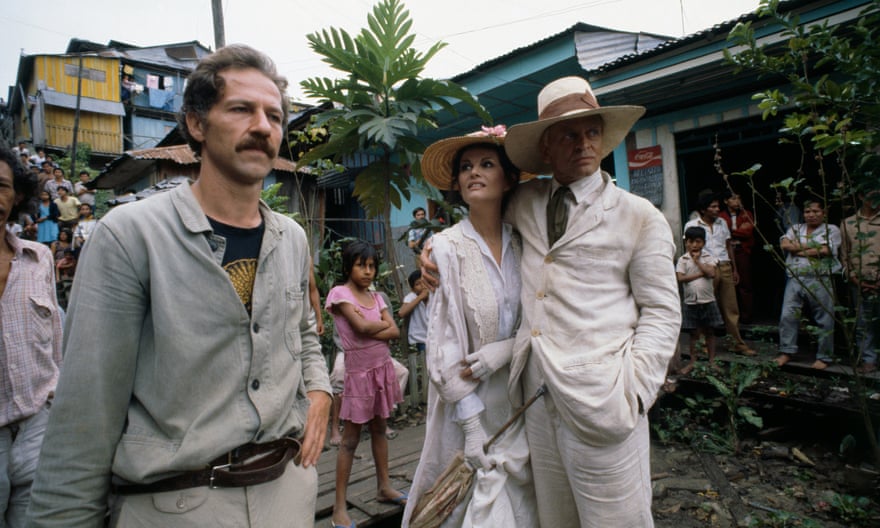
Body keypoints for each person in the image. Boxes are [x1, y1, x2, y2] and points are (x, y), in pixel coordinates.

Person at [26, 44, 332, 527]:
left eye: (273, 115)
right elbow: (85, 416)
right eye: (240, 109)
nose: (262, 126)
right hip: (176, 505)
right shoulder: (130, 236)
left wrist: (319, 390)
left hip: (288, 495)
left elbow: (305, 331)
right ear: (196, 123)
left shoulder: (291, 237)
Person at [423, 77, 681, 527]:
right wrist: (429, 252)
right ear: (545, 147)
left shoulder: (639, 216)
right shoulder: (525, 201)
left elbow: (662, 311)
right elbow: (474, 219)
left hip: (607, 403)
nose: (583, 143)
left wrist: (635, 391)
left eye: (592, 132)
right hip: (536, 405)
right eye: (568, 133)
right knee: (553, 520)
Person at [402, 126, 538, 527]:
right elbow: (442, 344)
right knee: (467, 509)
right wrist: (472, 425)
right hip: (467, 410)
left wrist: (508, 349)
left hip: (518, 403)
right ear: (457, 184)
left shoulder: (524, 242)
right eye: (465, 167)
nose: (474, 172)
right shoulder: (446, 247)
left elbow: (540, 320)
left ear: (509, 177)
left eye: (487, 164)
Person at [0, 145, 63, 528]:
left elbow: (56, 340)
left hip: (37, 427)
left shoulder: (38, 259)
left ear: (16, 195)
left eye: (1, 185)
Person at [324, 240, 406, 528]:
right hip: (358, 376)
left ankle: (384, 487)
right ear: (349, 266)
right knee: (349, 440)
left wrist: (377, 327)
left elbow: (394, 331)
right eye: (361, 265)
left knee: (380, 429)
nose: (368, 271)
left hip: (381, 371)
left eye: (372, 266)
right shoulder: (340, 293)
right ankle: (338, 506)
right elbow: (360, 329)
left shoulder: (378, 297)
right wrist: (379, 326)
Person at [684, 192, 756, 355]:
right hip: (705, 269)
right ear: (703, 209)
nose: (717, 209)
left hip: (724, 266)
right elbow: (689, 249)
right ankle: (703, 344)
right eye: (713, 206)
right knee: (705, 307)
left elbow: (728, 245)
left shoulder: (722, 223)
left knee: (731, 307)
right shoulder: (692, 225)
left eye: (718, 206)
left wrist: (734, 268)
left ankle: (736, 343)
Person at [775, 199, 842, 370]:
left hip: (820, 278)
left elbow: (826, 250)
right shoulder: (795, 228)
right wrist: (813, 248)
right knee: (788, 315)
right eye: (807, 212)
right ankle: (787, 351)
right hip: (795, 276)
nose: (811, 215)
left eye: (815, 211)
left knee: (825, 318)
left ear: (823, 213)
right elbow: (784, 244)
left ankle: (824, 356)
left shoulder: (831, 229)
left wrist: (797, 247)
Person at [840, 189, 879, 373]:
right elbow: (844, 256)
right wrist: (854, 278)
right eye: (870, 195)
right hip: (859, 281)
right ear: (861, 196)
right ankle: (868, 359)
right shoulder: (848, 223)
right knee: (863, 322)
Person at [675, 226, 724, 374]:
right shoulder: (682, 260)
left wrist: (698, 262)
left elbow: (711, 273)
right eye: (690, 242)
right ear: (686, 243)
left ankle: (712, 361)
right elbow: (680, 278)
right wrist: (700, 274)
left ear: (703, 242)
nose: (694, 245)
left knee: (710, 332)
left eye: (698, 241)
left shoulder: (709, 258)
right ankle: (693, 362)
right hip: (691, 303)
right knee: (694, 334)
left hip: (708, 301)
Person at [719, 190, 756, 323]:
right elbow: (721, 235)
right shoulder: (721, 216)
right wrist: (736, 232)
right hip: (726, 252)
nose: (737, 201)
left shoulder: (747, 214)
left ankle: (747, 317)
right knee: (728, 285)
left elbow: (747, 232)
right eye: (733, 198)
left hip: (742, 251)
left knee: (745, 284)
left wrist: (730, 232)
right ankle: (731, 317)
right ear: (726, 201)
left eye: (739, 198)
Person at [397, 269, 429, 355]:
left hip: (437, 339)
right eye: (417, 284)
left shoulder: (435, 296)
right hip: (421, 340)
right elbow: (401, 313)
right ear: (413, 289)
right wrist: (420, 298)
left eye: (424, 281)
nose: (422, 285)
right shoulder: (412, 297)